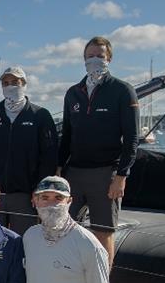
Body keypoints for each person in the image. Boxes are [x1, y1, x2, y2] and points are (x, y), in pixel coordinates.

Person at [58, 37, 140, 266]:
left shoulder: (123, 91)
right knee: (64, 228)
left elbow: (132, 139)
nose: (95, 60)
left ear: (109, 59)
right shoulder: (73, 93)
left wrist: (121, 177)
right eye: (90, 56)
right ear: (84, 59)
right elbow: (66, 137)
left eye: (100, 56)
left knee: (103, 232)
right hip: (74, 172)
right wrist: (58, 172)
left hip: (106, 173)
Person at [0, 66, 58, 235]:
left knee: (24, 240)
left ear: (24, 84)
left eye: (15, 82)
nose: (10, 86)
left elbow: (49, 156)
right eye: (6, 83)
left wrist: (40, 189)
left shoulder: (40, 115)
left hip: (25, 195)